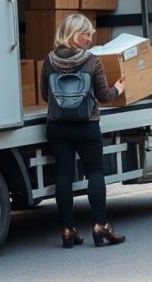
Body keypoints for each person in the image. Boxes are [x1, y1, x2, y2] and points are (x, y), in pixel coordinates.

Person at [39, 13, 127, 248]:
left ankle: (68, 230)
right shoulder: (91, 61)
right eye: (85, 34)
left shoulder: (49, 60)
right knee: (95, 172)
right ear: (74, 35)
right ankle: (100, 226)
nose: (89, 38)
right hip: (86, 125)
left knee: (64, 175)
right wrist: (118, 88)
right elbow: (104, 96)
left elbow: (45, 95)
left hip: (57, 126)